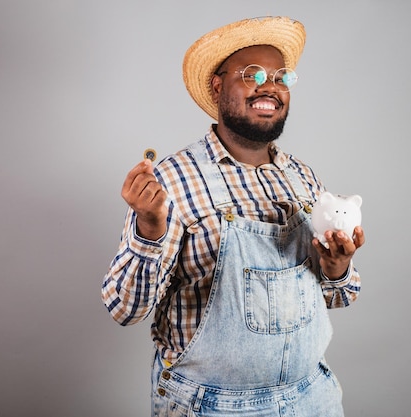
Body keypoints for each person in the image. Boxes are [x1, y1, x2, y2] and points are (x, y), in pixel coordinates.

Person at [101, 16, 365, 417]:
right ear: (218, 86)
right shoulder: (173, 180)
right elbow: (126, 310)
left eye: (282, 77)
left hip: (313, 398)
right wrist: (150, 229)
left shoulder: (304, 179)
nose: (270, 86)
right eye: (253, 73)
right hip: (212, 406)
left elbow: (338, 296)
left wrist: (336, 267)